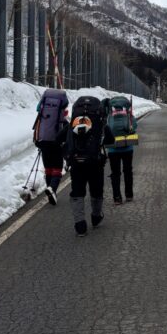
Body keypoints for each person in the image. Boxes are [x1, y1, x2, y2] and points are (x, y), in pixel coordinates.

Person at [64, 95, 106, 236]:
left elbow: (60, 137)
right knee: (96, 190)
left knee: (77, 191)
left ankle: (80, 225)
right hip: (95, 162)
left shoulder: (73, 124)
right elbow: (110, 138)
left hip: (76, 163)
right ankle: (96, 217)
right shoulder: (99, 123)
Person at [32, 88, 70, 206]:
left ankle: (50, 190)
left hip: (43, 140)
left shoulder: (43, 107)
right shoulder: (62, 116)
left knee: (48, 168)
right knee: (57, 168)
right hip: (56, 141)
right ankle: (52, 188)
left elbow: (38, 109)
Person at [103, 95, 139, 204]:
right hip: (127, 147)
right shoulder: (128, 114)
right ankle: (129, 195)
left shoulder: (109, 115)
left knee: (115, 173)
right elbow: (134, 126)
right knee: (128, 171)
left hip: (113, 149)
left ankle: (117, 198)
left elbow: (105, 129)